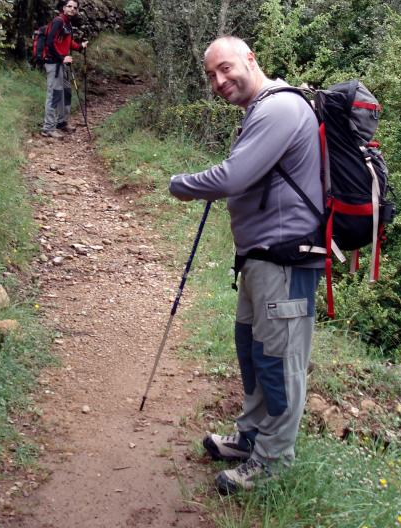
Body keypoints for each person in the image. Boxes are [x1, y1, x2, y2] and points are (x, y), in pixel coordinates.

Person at [169, 36, 324, 495]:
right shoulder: (261, 111)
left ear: (251, 60)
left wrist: (182, 184)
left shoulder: (278, 109)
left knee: (280, 363)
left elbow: (233, 176)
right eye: (211, 75)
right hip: (261, 261)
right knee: (254, 356)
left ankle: (273, 462)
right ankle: (251, 438)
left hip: (286, 263)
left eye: (225, 68)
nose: (219, 81)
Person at [40, 0, 88, 139]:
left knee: (66, 93)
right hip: (54, 64)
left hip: (62, 65)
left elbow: (67, 42)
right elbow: (49, 41)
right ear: (63, 8)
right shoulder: (58, 21)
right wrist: (62, 58)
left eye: (75, 7)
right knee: (54, 94)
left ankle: (62, 122)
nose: (72, 9)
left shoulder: (67, 23)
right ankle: (48, 128)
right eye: (69, 6)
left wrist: (80, 47)